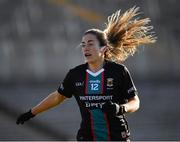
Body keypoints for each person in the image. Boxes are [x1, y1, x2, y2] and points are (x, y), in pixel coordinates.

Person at [16, 6, 156, 141]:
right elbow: (57, 97)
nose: (85, 48)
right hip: (87, 136)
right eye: (83, 44)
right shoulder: (76, 74)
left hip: (116, 136)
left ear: (103, 48)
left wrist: (120, 108)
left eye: (90, 44)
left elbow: (135, 101)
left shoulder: (118, 71)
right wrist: (31, 113)